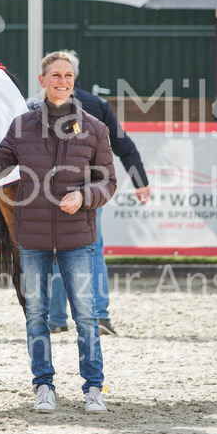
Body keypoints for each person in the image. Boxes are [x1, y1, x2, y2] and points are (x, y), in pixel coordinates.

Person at [0, 50, 117, 414]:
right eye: (55, 76)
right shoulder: (22, 127)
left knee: (85, 316)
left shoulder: (95, 129)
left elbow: (108, 182)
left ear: (74, 81)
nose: (62, 81)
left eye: (67, 76)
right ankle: (43, 386)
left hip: (77, 238)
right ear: (43, 81)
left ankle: (94, 387)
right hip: (33, 240)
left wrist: (84, 196)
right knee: (36, 316)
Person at [27, 52, 151, 336]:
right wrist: (140, 180)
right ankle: (99, 315)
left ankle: (56, 318)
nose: (62, 79)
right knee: (92, 250)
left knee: (54, 252)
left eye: (65, 74)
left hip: (45, 191)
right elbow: (124, 145)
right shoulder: (97, 105)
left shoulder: (31, 104)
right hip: (89, 191)